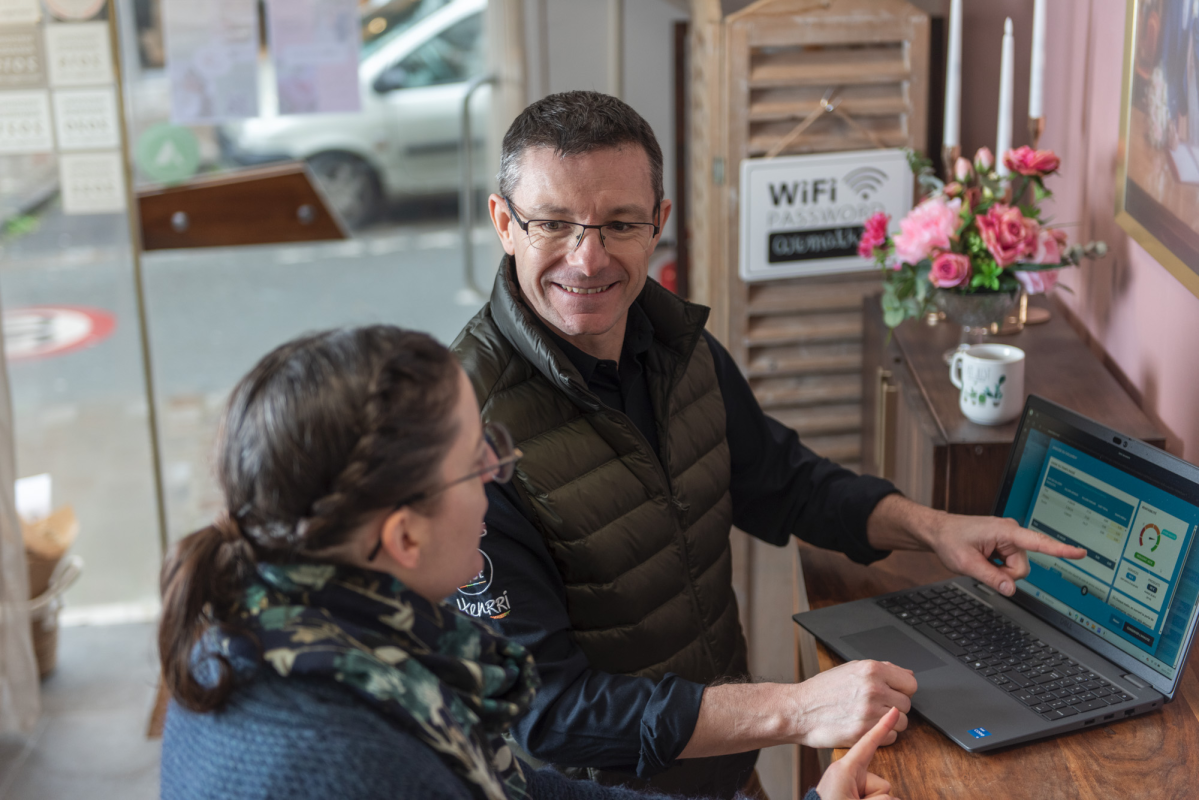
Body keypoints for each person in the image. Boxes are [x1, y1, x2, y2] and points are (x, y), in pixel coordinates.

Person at [450, 90, 1086, 798]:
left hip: (726, 764)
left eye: (619, 223)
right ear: (504, 223)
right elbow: (547, 711)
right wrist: (795, 709)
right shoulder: (464, 433)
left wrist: (934, 528)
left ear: (657, 223)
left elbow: (785, 483)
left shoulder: (675, 345)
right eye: (553, 222)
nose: (587, 256)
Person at [156, 324, 891, 800]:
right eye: (476, 461)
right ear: (404, 537)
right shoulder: (342, 761)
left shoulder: (279, 623)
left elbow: (532, 793)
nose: (497, 478)